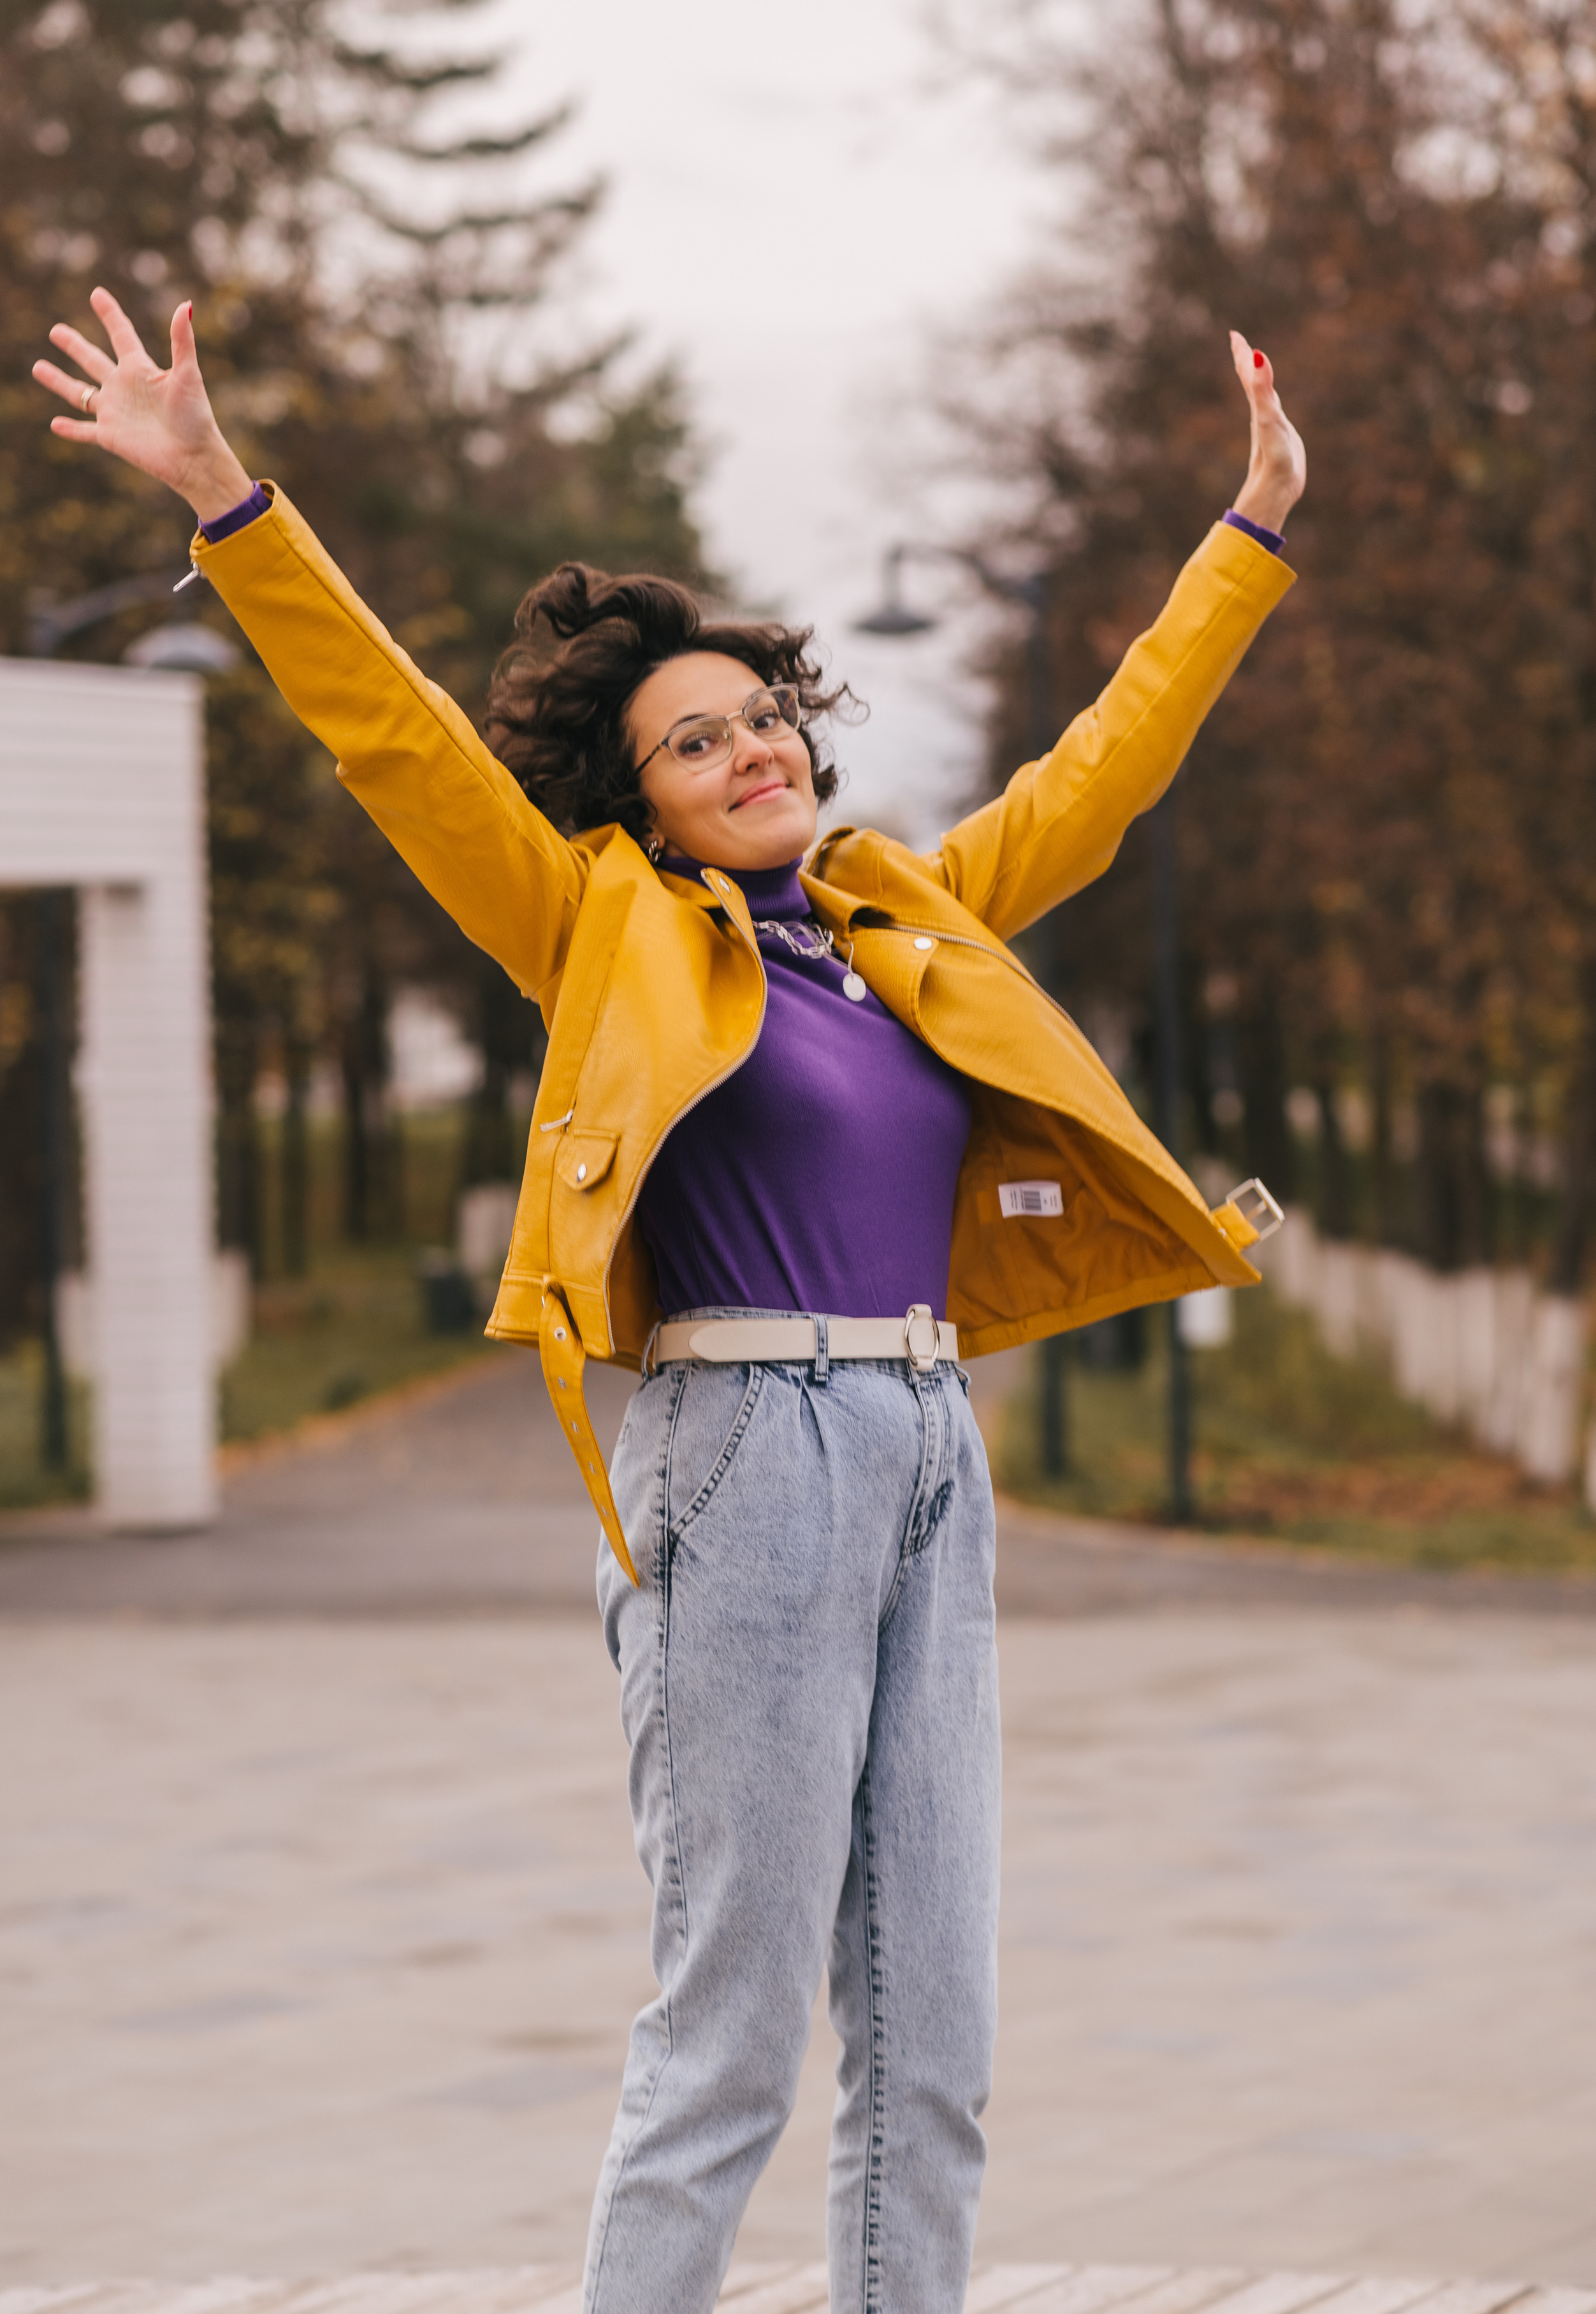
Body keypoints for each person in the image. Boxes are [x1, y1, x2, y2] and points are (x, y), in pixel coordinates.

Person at [33, 289, 1304, 2314]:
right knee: (727, 2038)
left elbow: (1103, 769)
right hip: (747, 1461)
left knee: (934, 2039)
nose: (752, 750)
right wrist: (225, 499)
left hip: (921, 1446)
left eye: (764, 716)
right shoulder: (595, 928)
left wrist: (1242, 538)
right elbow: (399, 743)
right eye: (693, 738)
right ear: (640, 798)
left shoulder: (905, 921)